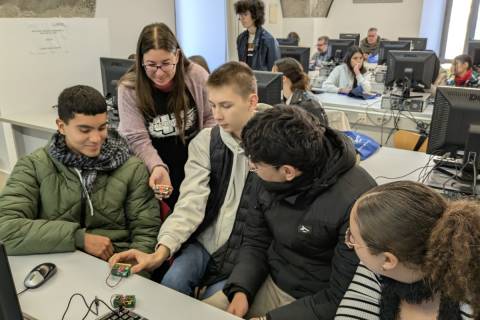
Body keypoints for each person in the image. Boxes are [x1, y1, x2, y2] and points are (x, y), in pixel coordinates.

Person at [110, 62, 260, 300]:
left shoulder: (272, 145)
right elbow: (190, 202)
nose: (217, 115)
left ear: (252, 102)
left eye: (226, 106)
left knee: (211, 303)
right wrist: (162, 250)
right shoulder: (206, 142)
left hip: (246, 250)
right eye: (212, 105)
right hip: (204, 242)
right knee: (171, 284)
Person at [215, 106, 377, 320]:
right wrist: (241, 289)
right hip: (269, 279)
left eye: (255, 166)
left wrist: (270, 319)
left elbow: (342, 295)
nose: (250, 168)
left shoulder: (357, 201)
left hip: (316, 301)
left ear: (288, 172)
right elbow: (255, 241)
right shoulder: (266, 166)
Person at [0, 85, 161, 261]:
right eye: (84, 130)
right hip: (54, 259)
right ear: (61, 126)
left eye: (102, 128)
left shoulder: (132, 168)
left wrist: (133, 272)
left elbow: (146, 234)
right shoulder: (33, 166)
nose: (96, 138)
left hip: (112, 265)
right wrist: (78, 238)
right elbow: (5, 229)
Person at [336, 181, 477, 319]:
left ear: (388, 260)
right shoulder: (375, 269)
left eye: (353, 238)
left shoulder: (470, 299)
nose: (349, 242)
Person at [117, 23, 215, 209]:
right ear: (141, 61)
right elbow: (136, 138)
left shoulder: (196, 76)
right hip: (156, 169)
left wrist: (204, 153)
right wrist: (157, 166)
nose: (159, 72)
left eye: (166, 63)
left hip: (197, 166)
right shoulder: (129, 88)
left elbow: (211, 116)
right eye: (151, 65)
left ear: (177, 56)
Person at [272, 57, 328, 125]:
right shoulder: (286, 99)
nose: (271, 78)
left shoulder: (308, 104)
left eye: (273, 75)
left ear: (283, 78)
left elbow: (317, 133)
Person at [235, 0, 280, 71]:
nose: (242, 18)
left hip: (263, 81)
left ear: (255, 15)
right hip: (246, 79)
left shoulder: (269, 40)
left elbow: (274, 72)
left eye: (245, 14)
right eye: (240, 15)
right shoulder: (241, 38)